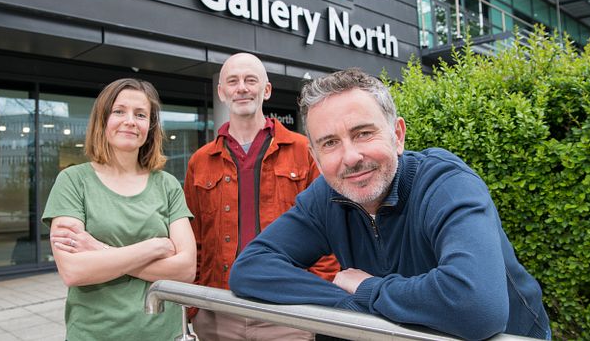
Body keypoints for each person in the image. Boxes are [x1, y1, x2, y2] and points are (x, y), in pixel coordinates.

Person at [229, 68, 551, 340]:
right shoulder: (325, 195)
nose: (351, 157)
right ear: (314, 157)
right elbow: (251, 268)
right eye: (330, 143)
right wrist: (351, 304)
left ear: (397, 135)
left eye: (364, 133)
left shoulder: (446, 184)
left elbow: (477, 304)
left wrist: (369, 289)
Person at [184, 52, 339, 340]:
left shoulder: (303, 150)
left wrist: (312, 299)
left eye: (250, 80)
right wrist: (196, 307)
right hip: (219, 311)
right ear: (221, 92)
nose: (242, 88)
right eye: (233, 81)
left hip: (287, 313)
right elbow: (194, 240)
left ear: (266, 90)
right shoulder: (200, 161)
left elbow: (329, 232)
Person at [42, 78, 196, 341]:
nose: (130, 121)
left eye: (140, 115)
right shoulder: (73, 181)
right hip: (95, 334)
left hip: (164, 334)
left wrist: (100, 251)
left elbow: (186, 269)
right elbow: (74, 271)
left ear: (150, 126)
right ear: (102, 120)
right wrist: (155, 247)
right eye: (119, 111)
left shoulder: (167, 185)